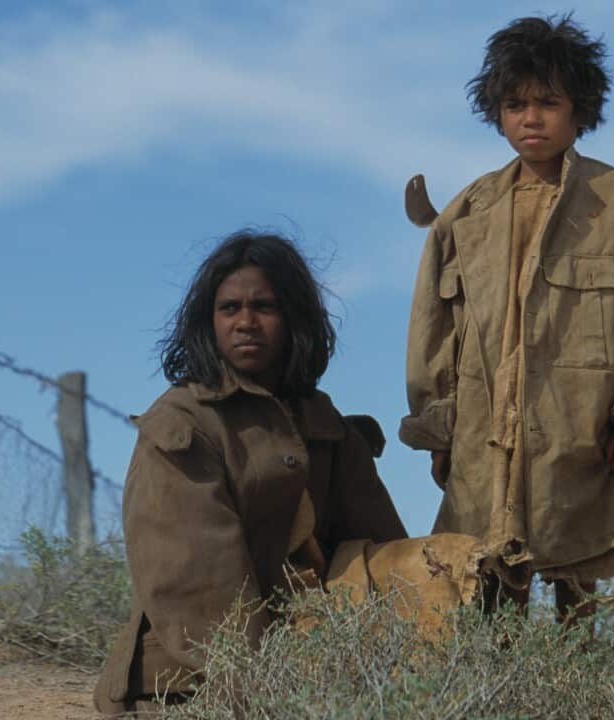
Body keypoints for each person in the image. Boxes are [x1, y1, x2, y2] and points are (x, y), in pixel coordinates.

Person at [401, 14, 614, 626]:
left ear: (580, 110)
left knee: (580, 589)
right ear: (496, 113)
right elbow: (436, 328)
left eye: (547, 102)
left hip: (584, 434)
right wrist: (440, 430)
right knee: (486, 593)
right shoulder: (469, 210)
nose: (529, 117)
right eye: (514, 104)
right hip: (485, 439)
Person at [94, 230, 409, 715]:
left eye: (264, 307)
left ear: (294, 318)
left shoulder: (329, 429)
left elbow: (385, 558)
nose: (246, 322)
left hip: (307, 675)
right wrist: (274, 694)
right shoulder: (181, 425)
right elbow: (198, 584)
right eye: (229, 309)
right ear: (209, 322)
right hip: (184, 686)